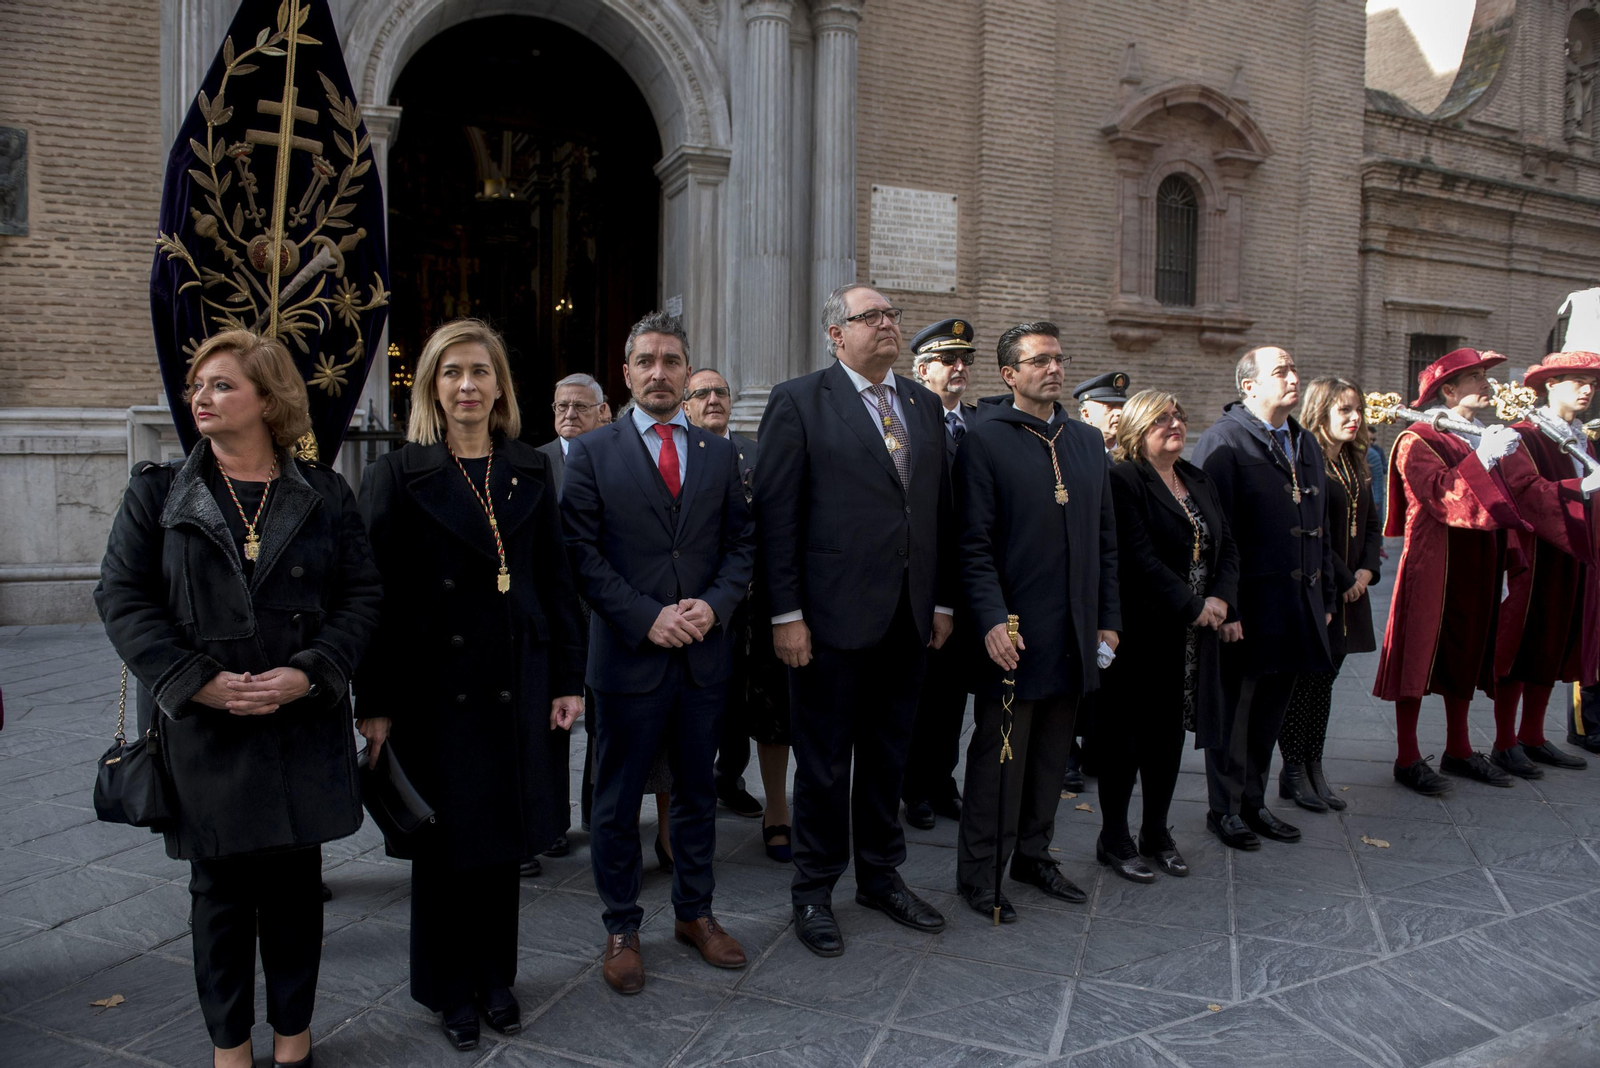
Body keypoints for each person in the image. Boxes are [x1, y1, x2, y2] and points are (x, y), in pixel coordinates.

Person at [96, 330, 382, 1068]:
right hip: (207, 733)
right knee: (219, 900)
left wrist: (313, 672)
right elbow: (122, 597)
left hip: (298, 726)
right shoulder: (158, 492)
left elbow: (361, 595)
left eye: (221, 385)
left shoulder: (325, 493)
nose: (201, 397)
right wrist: (196, 682)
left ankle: (294, 1038)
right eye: (197, 385)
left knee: (293, 894)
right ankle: (230, 1046)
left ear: (270, 397)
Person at [356, 318, 586, 1050]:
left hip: (518, 683)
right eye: (452, 372)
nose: (467, 385)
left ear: (499, 386)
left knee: (504, 844)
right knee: (445, 849)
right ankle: (448, 987)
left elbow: (556, 581)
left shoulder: (528, 468)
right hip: (435, 694)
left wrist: (568, 678)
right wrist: (377, 704)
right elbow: (373, 599)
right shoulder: (398, 475)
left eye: (480, 372)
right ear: (431, 386)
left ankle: (495, 977)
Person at [755, 283, 956, 957]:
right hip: (827, 621)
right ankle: (813, 889)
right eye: (871, 316)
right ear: (836, 334)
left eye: (892, 315)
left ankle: (880, 875)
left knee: (887, 759)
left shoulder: (924, 406)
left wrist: (941, 601)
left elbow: (936, 514)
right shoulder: (800, 401)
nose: (888, 325)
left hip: (907, 618)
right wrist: (786, 615)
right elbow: (778, 518)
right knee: (823, 767)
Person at [562, 312, 756, 994]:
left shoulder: (718, 455)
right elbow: (581, 558)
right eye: (646, 360)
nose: (660, 372)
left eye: (672, 360)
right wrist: (647, 618)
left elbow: (741, 547)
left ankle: (696, 914)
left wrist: (715, 605)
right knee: (617, 804)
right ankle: (622, 927)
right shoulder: (592, 453)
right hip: (627, 657)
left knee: (698, 792)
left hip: (703, 657)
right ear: (626, 373)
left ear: (686, 368)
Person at [952, 322, 1120, 919]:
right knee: (1001, 757)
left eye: (1058, 358)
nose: (1053, 368)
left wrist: (1108, 620)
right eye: (1038, 360)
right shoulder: (985, 439)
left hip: (1074, 631)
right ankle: (980, 872)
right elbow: (971, 544)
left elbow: (1105, 542)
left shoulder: (1085, 443)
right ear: (1009, 374)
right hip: (1014, 633)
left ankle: (1033, 853)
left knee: (1052, 756)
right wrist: (992, 620)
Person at [1375, 348, 1597, 793]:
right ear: (1449, 390)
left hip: (1481, 558)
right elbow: (1441, 497)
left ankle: (1458, 749)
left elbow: (1503, 501)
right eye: (1474, 377)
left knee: (1468, 654)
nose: (1486, 384)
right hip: (1435, 560)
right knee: (1417, 657)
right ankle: (1407, 756)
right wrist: (1486, 458)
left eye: (1484, 376)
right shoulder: (1418, 439)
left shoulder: (1474, 436)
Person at [1191, 346, 1335, 850]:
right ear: (1249, 386)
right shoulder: (1224, 440)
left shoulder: (1304, 441)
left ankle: (1253, 802)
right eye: (1281, 371)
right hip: (1247, 611)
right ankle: (1224, 809)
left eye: (1295, 368)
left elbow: (1321, 528)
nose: (1294, 377)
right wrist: (1226, 606)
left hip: (1297, 607)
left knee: (1269, 714)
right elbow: (1212, 532)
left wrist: (1327, 595)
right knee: (1234, 714)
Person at [1096, 390, 1237, 883]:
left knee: (1169, 736)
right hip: (1144, 629)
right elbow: (1136, 557)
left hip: (1195, 634)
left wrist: (1221, 598)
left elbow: (1228, 544)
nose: (1174, 423)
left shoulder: (1196, 478)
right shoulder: (1123, 479)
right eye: (1161, 417)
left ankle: (1156, 831)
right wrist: (1194, 604)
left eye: (1178, 415)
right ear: (1136, 428)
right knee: (1128, 738)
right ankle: (1113, 837)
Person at [685, 368, 795, 862]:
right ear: (686, 405)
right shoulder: (675, 455)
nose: (713, 399)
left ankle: (778, 811)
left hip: (762, 609)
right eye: (702, 393)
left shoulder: (758, 454)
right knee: (702, 715)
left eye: (721, 392)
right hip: (703, 611)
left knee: (773, 712)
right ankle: (688, 817)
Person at [1491, 352, 1600, 776]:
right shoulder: (1525, 435)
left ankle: (1533, 735)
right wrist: (1579, 489)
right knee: (1520, 645)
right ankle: (1504, 741)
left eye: (1591, 382)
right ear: (1549, 386)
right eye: (1576, 380)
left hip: (1575, 557)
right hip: (1533, 557)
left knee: (1555, 643)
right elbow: (1524, 490)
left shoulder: (1584, 440)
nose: (1587, 388)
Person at [1276, 378, 1383, 811]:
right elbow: (1312, 531)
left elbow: (1373, 523)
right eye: (1344, 410)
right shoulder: (1308, 459)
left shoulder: (1359, 460)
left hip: (1351, 589)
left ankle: (1315, 765)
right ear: (1321, 413)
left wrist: (1367, 569)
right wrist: (1346, 577)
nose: (1355, 417)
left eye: (1357, 409)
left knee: (1327, 684)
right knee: (1305, 684)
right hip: (1323, 589)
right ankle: (1294, 770)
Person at [902, 317, 979, 831]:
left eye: (964, 361)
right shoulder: (907, 420)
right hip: (924, 581)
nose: (958, 369)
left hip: (970, 581)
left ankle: (942, 777)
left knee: (953, 693)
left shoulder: (980, 423)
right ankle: (914, 786)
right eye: (948, 361)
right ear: (922, 369)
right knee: (919, 690)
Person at [531, 372, 608, 867]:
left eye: (580, 406)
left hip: (604, 606)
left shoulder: (619, 456)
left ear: (603, 411)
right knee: (552, 718)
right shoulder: (532, 463)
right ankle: (551, 819)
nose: (569, 415)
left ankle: (600, 815)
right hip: (551, 609)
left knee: (604, 716)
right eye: (561, 406)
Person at [1065, 370, 1132, 790]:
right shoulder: (1074, 451)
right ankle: (1067, 754)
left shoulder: (1126, 455)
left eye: (1123, 408)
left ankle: (1094, 747)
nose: (1119, 416)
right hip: (1081, 577)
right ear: (1087, 411)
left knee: (1106, 673)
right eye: (1111, 408)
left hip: (1115, 576)